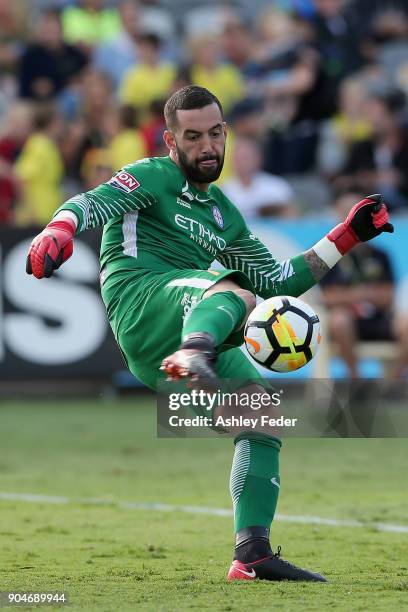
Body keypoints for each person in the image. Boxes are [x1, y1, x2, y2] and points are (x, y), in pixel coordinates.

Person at [26, 86, 393, 583]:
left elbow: (280, 281)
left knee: (262, 421)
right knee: (235, 293)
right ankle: (196, 352)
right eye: (193, 136)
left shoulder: (224, 215)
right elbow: (93, 202)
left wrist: (345, 237)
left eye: (215, 134)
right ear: (171, 141)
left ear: (226, 133)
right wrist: (59, 228)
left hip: (188, 323)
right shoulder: (152, 175)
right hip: (143, 303)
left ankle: (252, 554)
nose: (207, 147)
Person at [321, 189, 408, 379]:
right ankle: (357, 381)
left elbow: (388, 296)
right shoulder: (327, 254)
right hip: (347, 322)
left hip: (378, 319)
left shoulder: (380, 255)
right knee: (339, 320)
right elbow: (328, 297)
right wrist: (367, 293)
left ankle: (390, 384)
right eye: (345, 213)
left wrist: (348, 294)